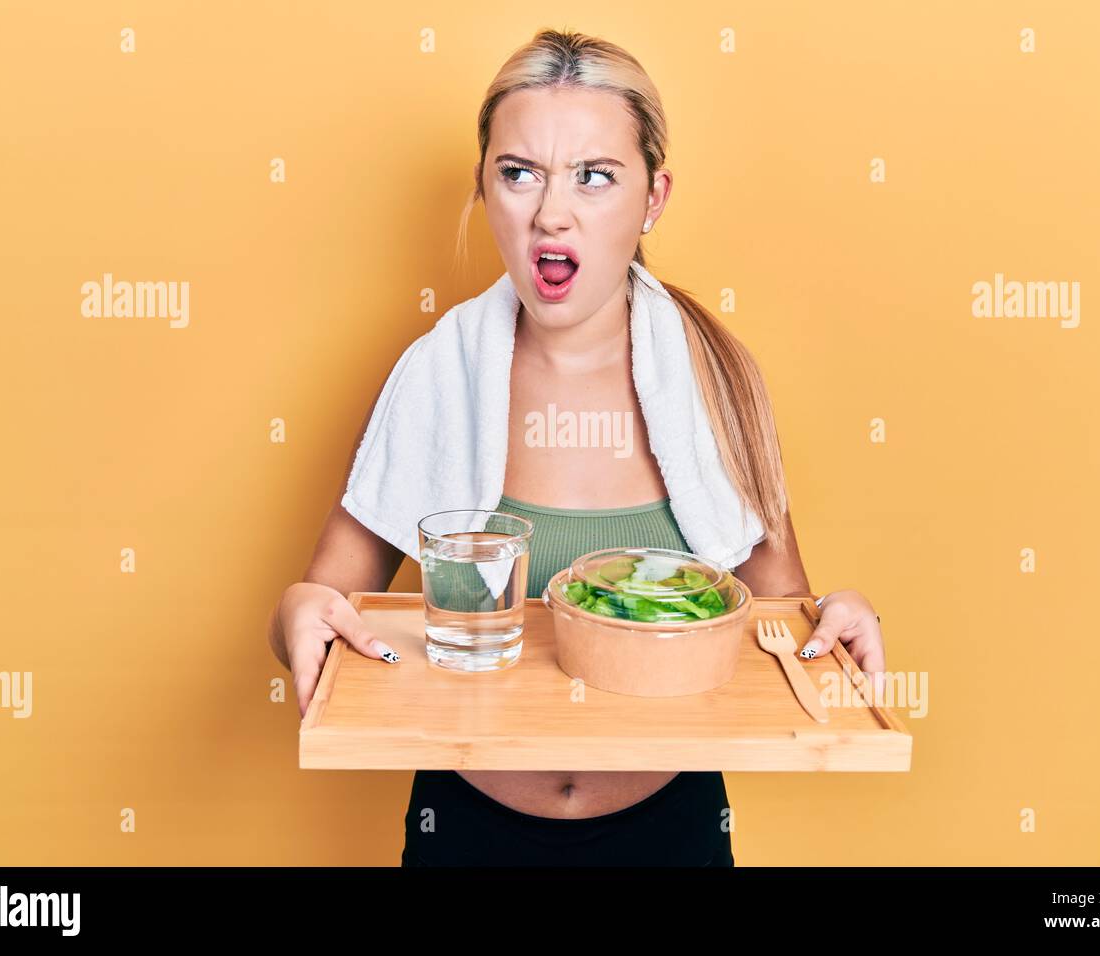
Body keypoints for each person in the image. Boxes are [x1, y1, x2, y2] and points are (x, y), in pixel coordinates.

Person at [267, 28, 885, 866]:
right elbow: (326, 602)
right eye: (518, 174)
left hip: (673, 831)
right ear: (484, 189)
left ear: (654, 198)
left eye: (595, 177)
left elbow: (782, 624)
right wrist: (297, 615)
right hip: (464, 828)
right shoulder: (437, 374)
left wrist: (835, 624)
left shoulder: (714, 377)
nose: (551, 212)